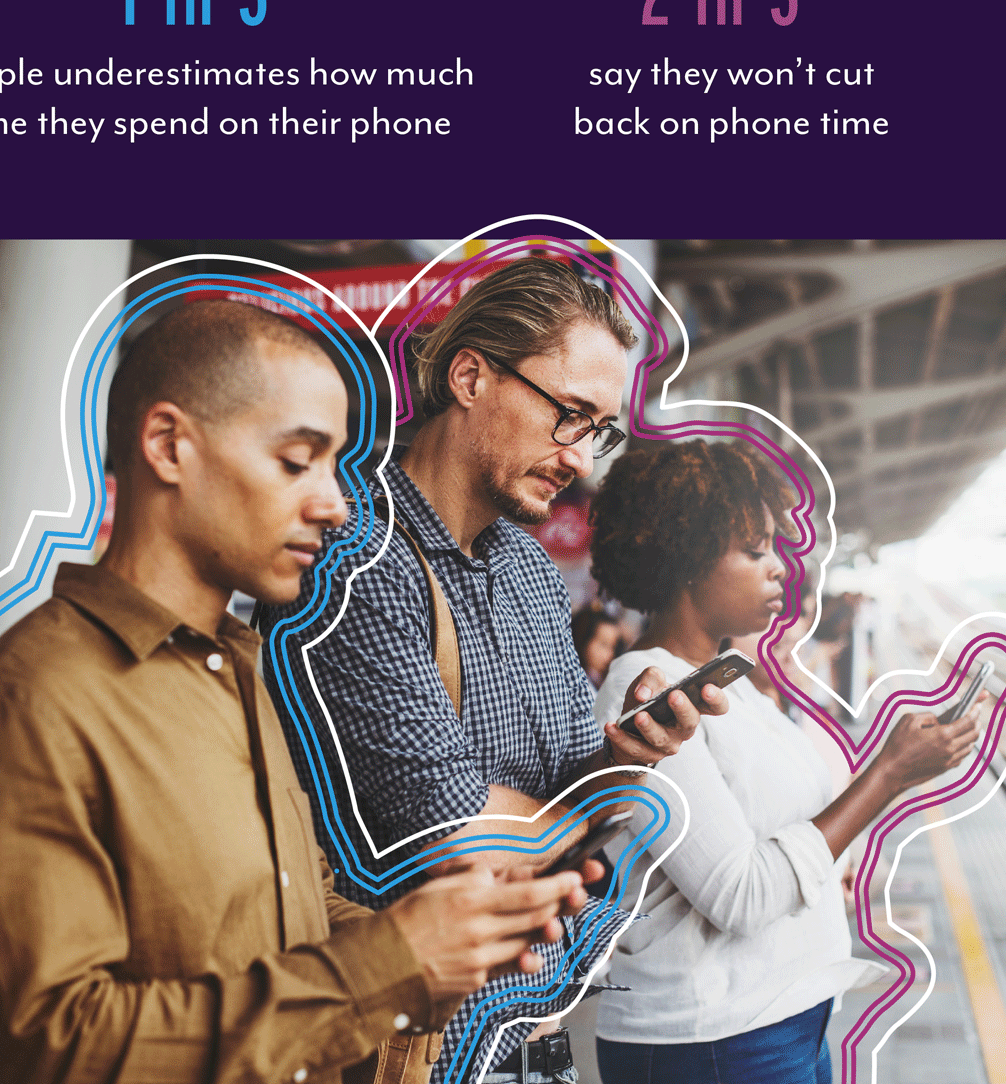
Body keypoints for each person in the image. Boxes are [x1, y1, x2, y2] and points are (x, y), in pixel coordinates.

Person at [0, 299, 599, 1084]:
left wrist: (453, 939)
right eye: (296, 461)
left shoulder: (239, 673)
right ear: (168, 446)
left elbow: (291, 915)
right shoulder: (24, 707)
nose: (334, 504)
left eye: (334, 465)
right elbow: (56, 1049)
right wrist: (392, 960)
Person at [261, 258, 729, 1084]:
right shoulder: (353, 562)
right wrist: (588, 809)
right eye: (568, 415)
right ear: (470, 376)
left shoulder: (531, 571)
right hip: (411, 1047)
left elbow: (571, 793)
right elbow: (454, 840)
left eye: (599, 432)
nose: (579, 459)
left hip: (530, 1037)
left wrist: (626, 757)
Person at [587, 438, 984, 1084]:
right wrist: (889, 773)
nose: (778, 568)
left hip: (781, 1021)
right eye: (755, 551)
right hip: (713, 1043)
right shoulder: (648, 691)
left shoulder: (728, 683)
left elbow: (795, 826)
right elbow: (741, 895)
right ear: (687, 558)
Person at [571, 604, 624, 689]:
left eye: (613, 647)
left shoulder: (599, 681)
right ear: (583, 637)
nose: (610, 654)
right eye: (603, 644)